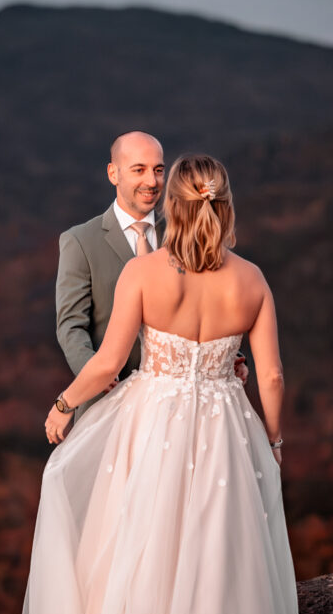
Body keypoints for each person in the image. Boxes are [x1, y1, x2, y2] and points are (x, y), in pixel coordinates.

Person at [10, 154, 307, 614]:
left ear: (171, 204)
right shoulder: (253, 279)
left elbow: (105, 363)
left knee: (143, 549)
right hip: (226, 429)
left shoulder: (143, 273)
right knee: (219, 555)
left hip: (154, 426)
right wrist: (274, 440)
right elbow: (274, 376)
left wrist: (63, 406)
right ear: (225, 206)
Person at [55, 131, 246, 415]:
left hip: (176, 408)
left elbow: (206, 303)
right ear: (113, 173)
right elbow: (71, 327)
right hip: (106, 404)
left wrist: (228, 358)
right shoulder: (80, 241)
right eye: (139, 170)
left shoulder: (184, 234)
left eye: (158, 170)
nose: (152, 181)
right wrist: (96, 376)